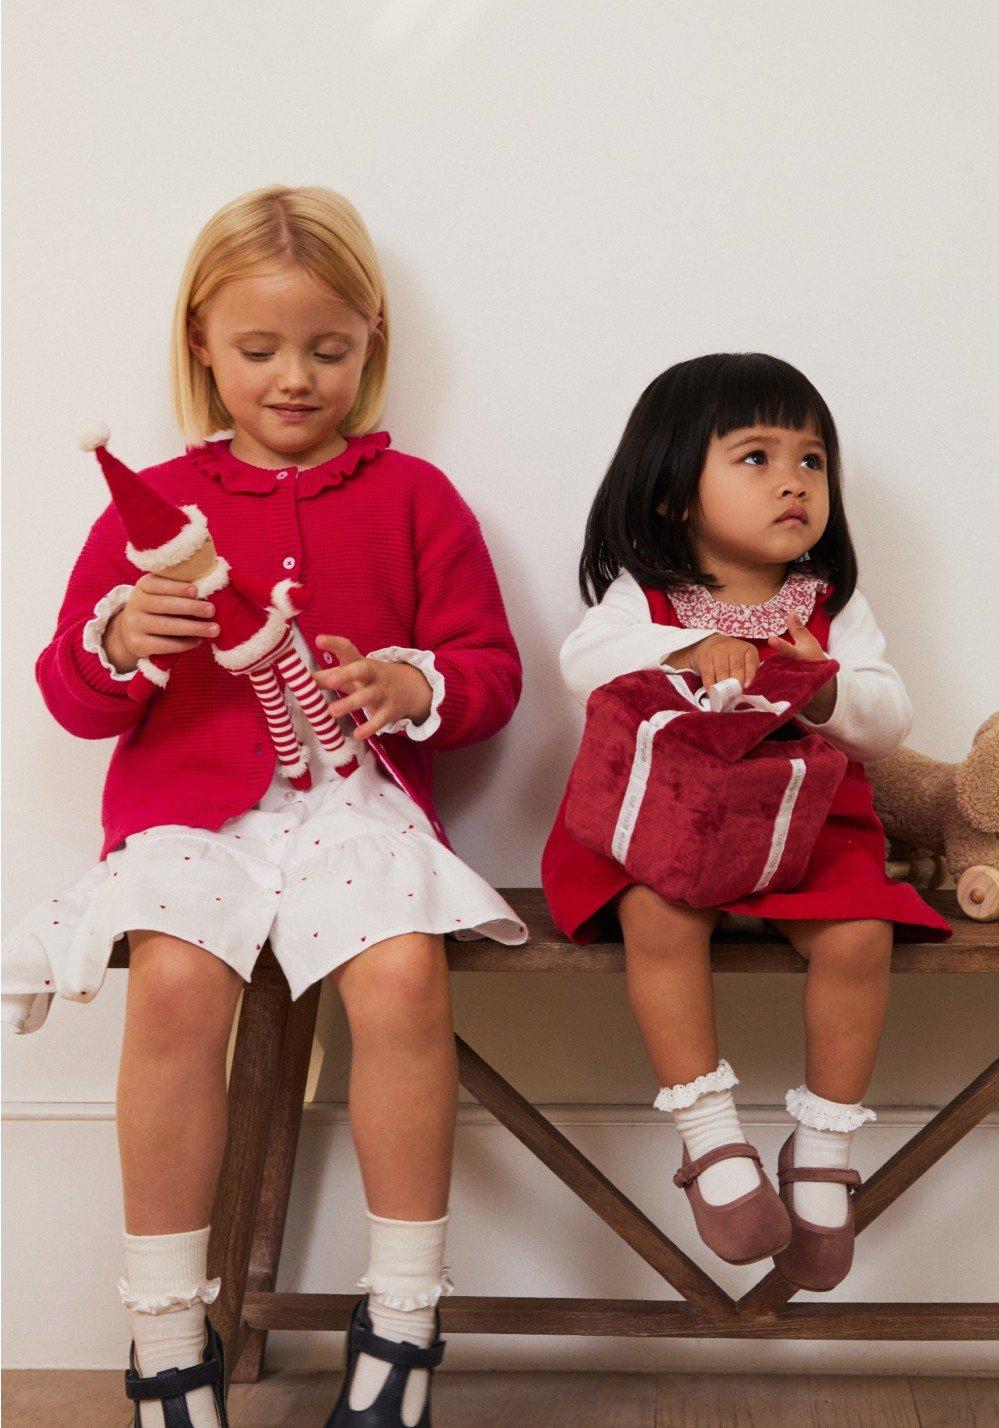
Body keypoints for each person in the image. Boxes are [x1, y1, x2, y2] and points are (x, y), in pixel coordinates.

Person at [3, 184, 527, 1428]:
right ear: (201, 343)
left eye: (329, 350)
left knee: (403, 979)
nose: (295, 377)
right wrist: (121, 636)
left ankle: (404, 1323)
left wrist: (411, 681)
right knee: (180, 986)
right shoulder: (151, 512)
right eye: (259, 350)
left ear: (371, 343)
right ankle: (165, 1336)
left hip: (355, 812)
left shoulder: (418, 501)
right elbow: (72, 699)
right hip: (196, 820)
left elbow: (492, 672)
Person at [543, 352, 950, 1291]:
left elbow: (887, 725)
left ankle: (821, 1146)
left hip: (805, 835)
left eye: (811, 462)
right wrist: (688, 644)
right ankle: (710, 1137)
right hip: (667, 829)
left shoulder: (829, 609)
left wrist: (824, 680)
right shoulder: (638, 603)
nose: (793, 483)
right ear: (672, 496)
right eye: (756, 458)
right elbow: (584, 661)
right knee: (656, 915)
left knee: (860, 933)